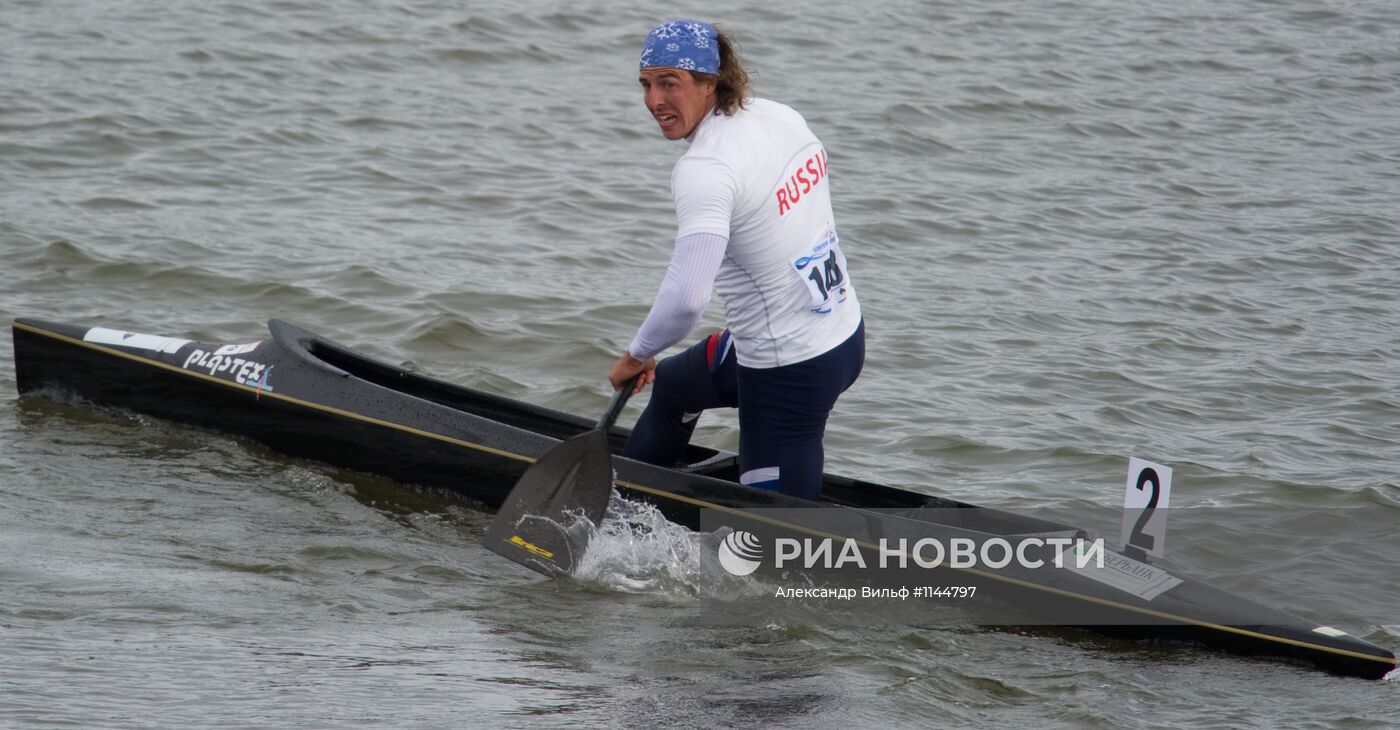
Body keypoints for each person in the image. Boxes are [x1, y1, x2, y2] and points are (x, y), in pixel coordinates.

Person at [608, 19, 864, 501]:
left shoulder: (705, 169)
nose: (653, 102)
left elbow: (685, 301)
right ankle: (619, 517)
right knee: (674, 389)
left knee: (779, 548)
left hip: (788, 371)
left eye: (670, 84)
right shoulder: (780, 117)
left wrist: (636, 355)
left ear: (711, 83)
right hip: (846, 333)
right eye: (646, 84)